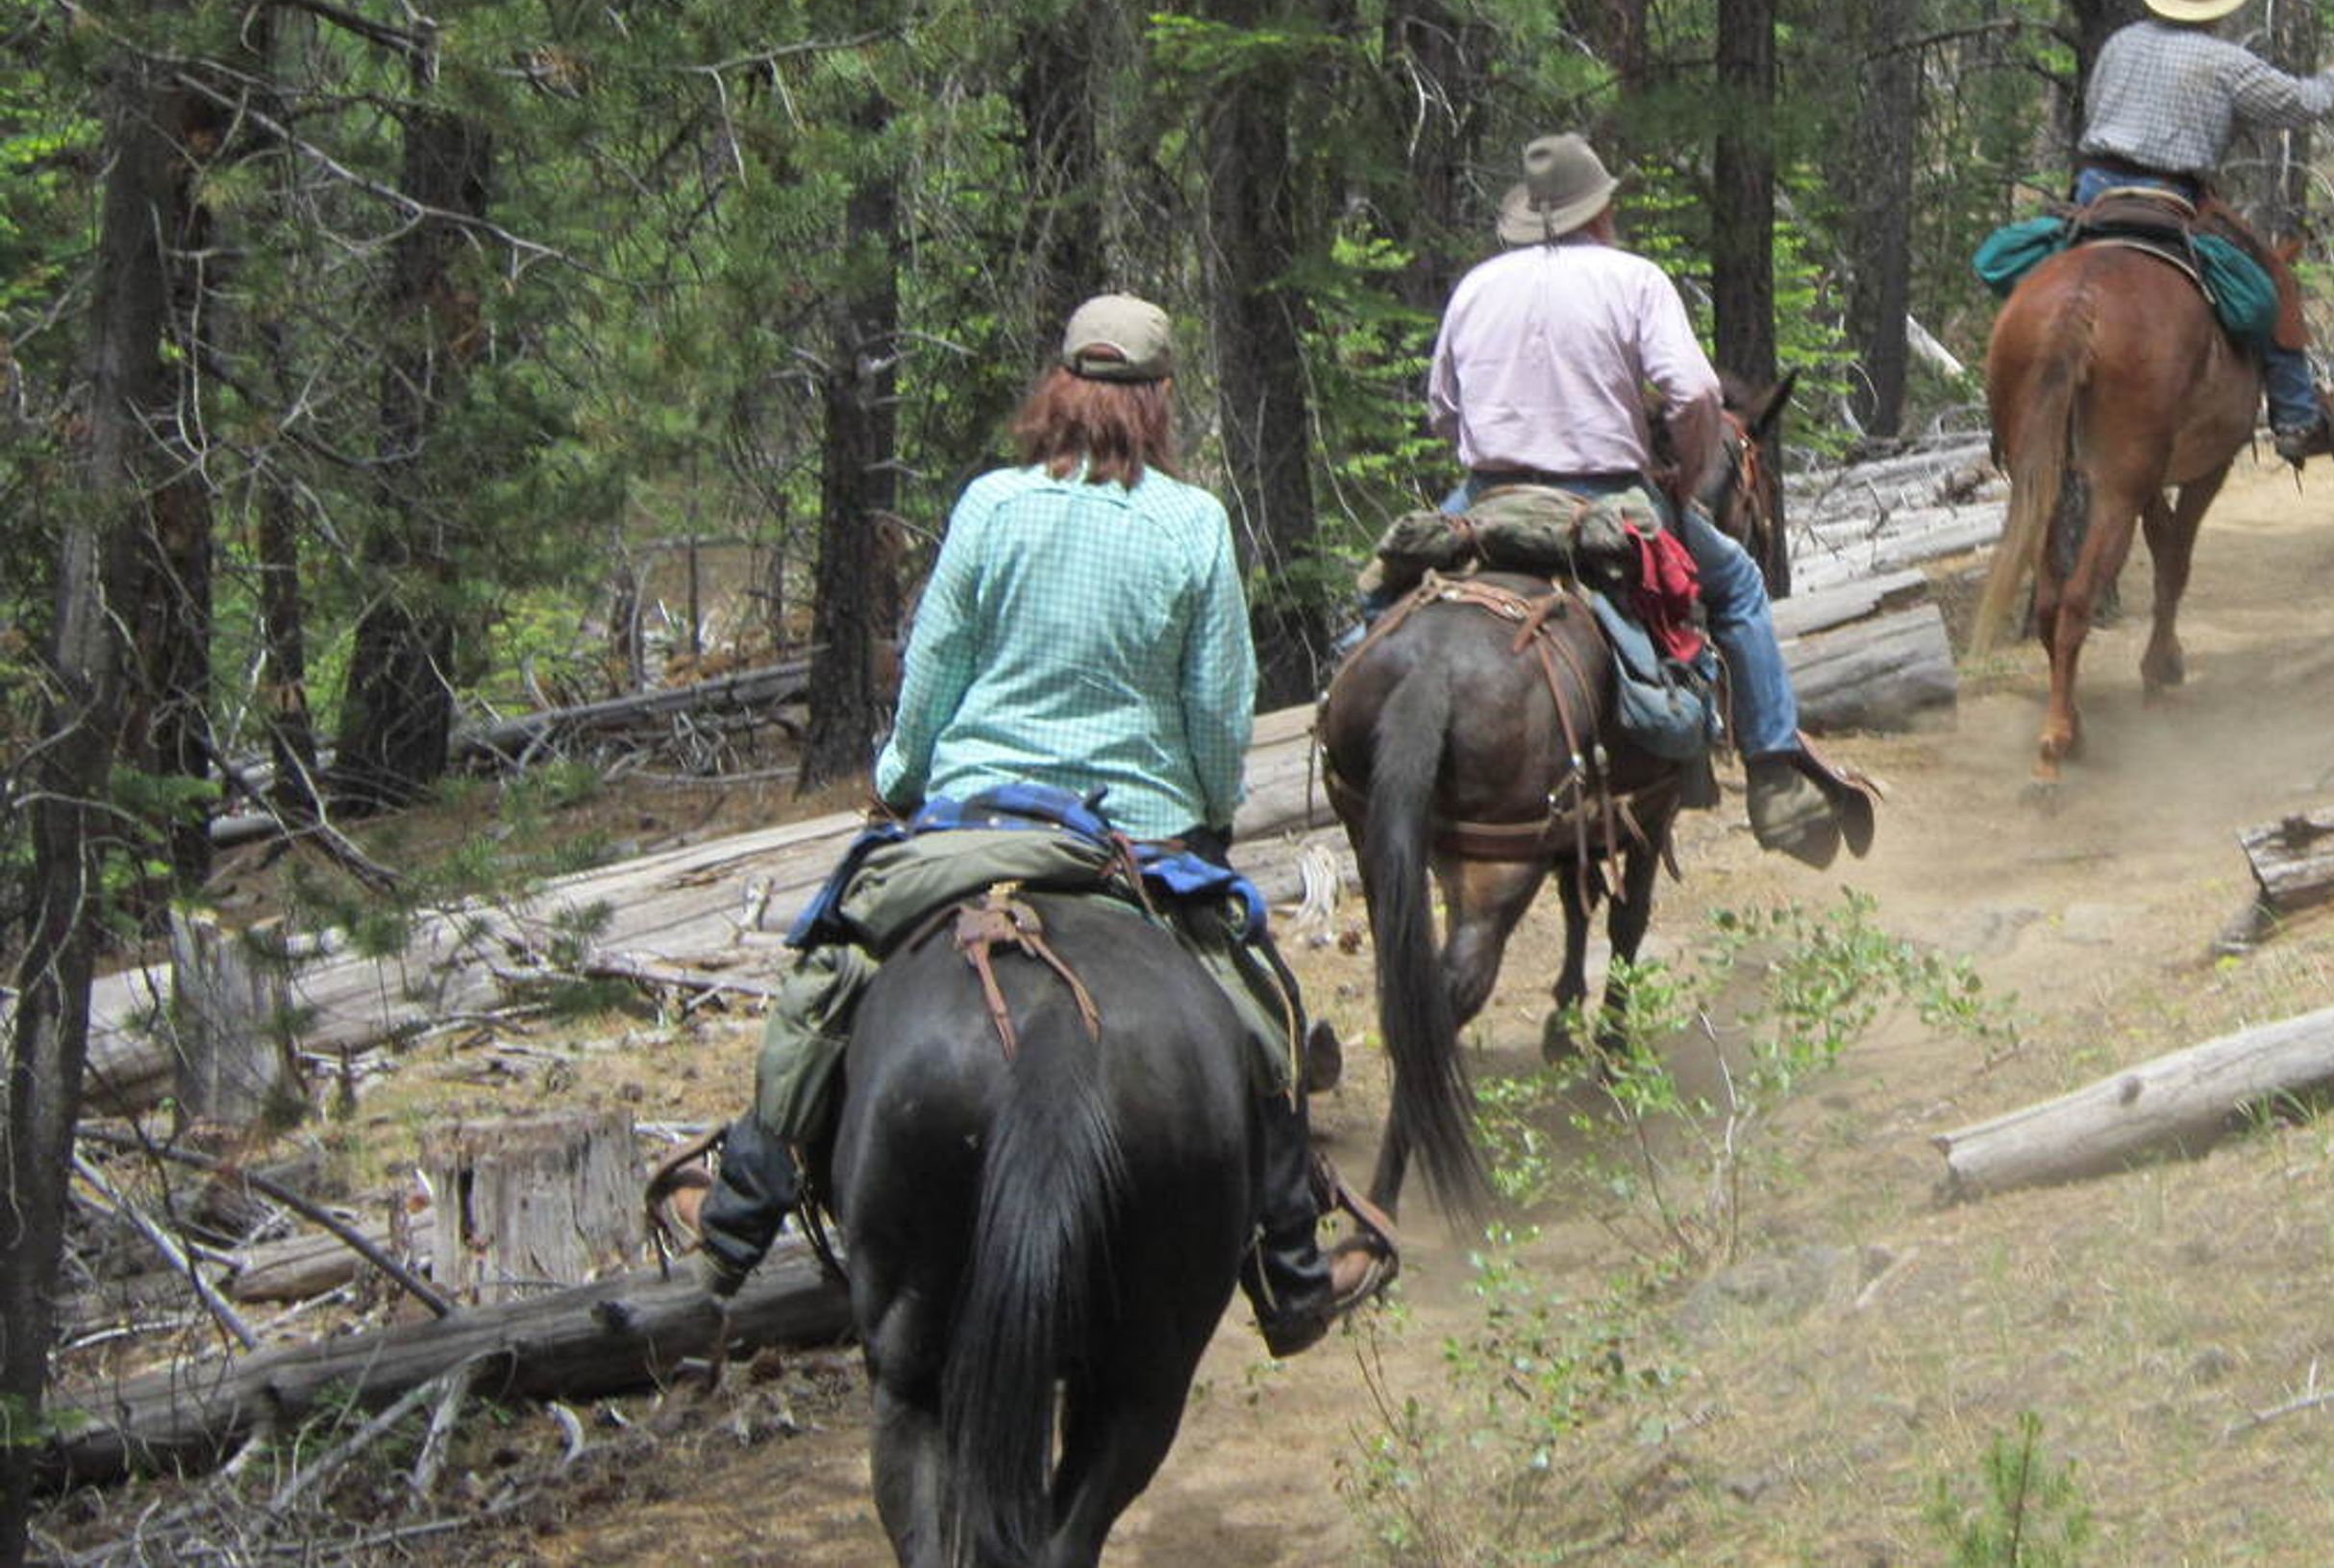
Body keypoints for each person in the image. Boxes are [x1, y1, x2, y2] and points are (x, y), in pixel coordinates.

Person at [668, 294, 1390, 1357]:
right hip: (1133, 840)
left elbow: (932, 679)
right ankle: (1288, 1262)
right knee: (1256, 1008)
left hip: (968, 820)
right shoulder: (1191, 524)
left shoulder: (990, 507)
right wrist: (1205, 818)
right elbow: (1215, 715)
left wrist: (903, 782)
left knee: (828, 967)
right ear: (1158, 404)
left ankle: (745, 1201)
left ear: (1059, 389)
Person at [1425, 135, 1875, 866]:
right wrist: (1685, 475)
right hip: (1605, 500)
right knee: (1739, 587)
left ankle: (1348, 693)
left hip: (1488, 495)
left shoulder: (1477, 286)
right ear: (1600, 211)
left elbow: (1443, 410)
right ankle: (1771, 774)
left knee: (1396, 585)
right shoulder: (1632, 279)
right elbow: (1695, 392)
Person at [2074, 0, 2334, 465]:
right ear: (2218, 7)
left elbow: (2096, 107)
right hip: (2171, 198)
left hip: (2095, 189)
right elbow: (2301, 103)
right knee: (2273, 280)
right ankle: (2297, 416)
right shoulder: (2225, 62)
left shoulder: (2122, 42)